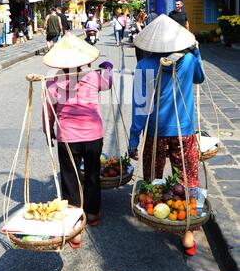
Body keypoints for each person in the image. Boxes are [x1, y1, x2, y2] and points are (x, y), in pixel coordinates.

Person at [128, 14, 205, 256]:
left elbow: (140, 108)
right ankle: (188, 233)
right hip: (185, 132)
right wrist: (197, 52)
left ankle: (160, 217)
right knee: (188, 180)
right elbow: (199, 79)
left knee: (154, 180)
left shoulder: (145, 66)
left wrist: (133, 141)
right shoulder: (190, 59)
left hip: (155, 133)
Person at [42, 33, 113, 247]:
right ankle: (92, 214)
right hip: (93, 136)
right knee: (92, 174)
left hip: (68, 138)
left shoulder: (53, 83)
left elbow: (48, 114)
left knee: (70, 179)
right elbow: (108, 80)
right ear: (85, 62)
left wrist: (49, 132)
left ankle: (75, 229)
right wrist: (107, 66)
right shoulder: (94, 78)